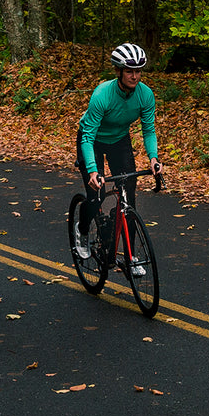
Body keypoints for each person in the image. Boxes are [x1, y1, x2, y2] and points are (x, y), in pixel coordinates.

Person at [73, 43, 163, 272]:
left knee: (128, 198)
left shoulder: (145, 95)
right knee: (97, 194)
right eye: (130, 71)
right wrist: (93, 170)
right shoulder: (103, 94)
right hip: (91, 140)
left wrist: (153, 159)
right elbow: (88, 136)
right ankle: (82, 230)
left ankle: (131, 259)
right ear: (119, 71)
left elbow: (148, 130)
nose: (135, 76)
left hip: (119, 141)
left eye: (138, 71)